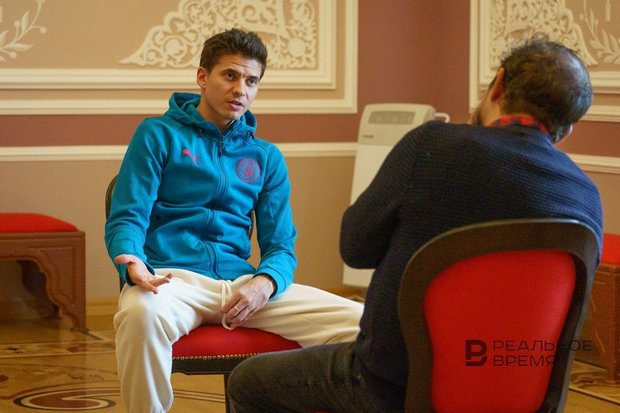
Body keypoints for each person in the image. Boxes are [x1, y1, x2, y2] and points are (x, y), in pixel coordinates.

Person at [227, 38, 604, 412]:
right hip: (518, 399)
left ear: (499, 84)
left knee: (247, 382)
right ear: (567, 128)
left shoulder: (432, 146)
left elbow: (355, 248)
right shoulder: (586, 197)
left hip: (391, 388)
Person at [105, 28, 363, 413]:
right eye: (230, 75)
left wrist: (265, 282)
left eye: (251, 81)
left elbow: (281, 247)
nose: (240, 89)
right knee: (138, 315)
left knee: (365, 324)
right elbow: (128, 214)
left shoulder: (266, 157)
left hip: (243, 286)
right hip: (173, 282)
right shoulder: (157, 135)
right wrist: (130, 260)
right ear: (202, 77)